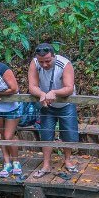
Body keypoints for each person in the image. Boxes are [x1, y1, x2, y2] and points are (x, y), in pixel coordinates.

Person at [28, 42, 79, 179]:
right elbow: (32, 86)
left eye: (48, 61)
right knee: (46, 133)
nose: (44, 65)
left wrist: (54, 92)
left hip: (66, 104)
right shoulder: (34, 63)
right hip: (46, 104)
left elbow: (69, 87)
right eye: (41, 62)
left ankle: (67, 160)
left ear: (54, 56)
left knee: (68, 133)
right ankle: (46, 164)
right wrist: (41, 94)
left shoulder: (65, 64)